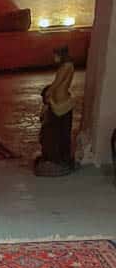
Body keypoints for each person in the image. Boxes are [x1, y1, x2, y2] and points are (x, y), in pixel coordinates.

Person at [35, 45, 76, 176]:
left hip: (60, 105)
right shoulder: (68, 66)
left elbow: (57, 84)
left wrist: (48, 94)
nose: (54, 58)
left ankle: (58, 158)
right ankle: (57, 156)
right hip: (59, 102)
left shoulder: (66, 67)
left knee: (58, 132)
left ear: (60, 55)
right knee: (58, 131)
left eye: (55, 55)